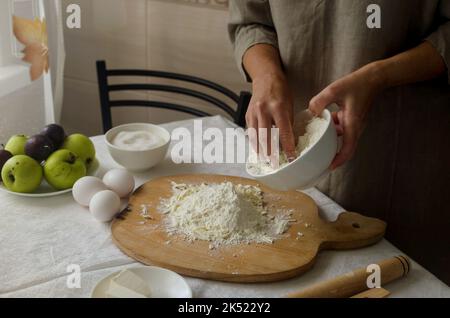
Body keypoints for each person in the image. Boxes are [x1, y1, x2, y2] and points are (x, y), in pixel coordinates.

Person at [228, 1, 450, 283]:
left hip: (401, 156)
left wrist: (377, 76)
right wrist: (265, 75)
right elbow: (250, 21)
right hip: (295, 139)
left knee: (405, 279)